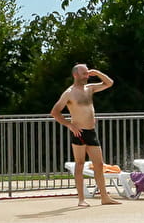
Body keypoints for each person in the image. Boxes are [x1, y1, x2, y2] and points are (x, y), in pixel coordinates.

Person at [50, 64, 121, 207]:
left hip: (91, 132)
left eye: (87, 73)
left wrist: (97, 72)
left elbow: (109, 83)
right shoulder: (69, 93)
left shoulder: (89, 89)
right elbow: (55, 112)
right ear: (75, 75)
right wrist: (70, 125)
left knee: (99, 165)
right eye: (84, 73)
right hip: (79, 132)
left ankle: (104, 197)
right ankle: (81, 199)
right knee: (80, 164)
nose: (86, 76)